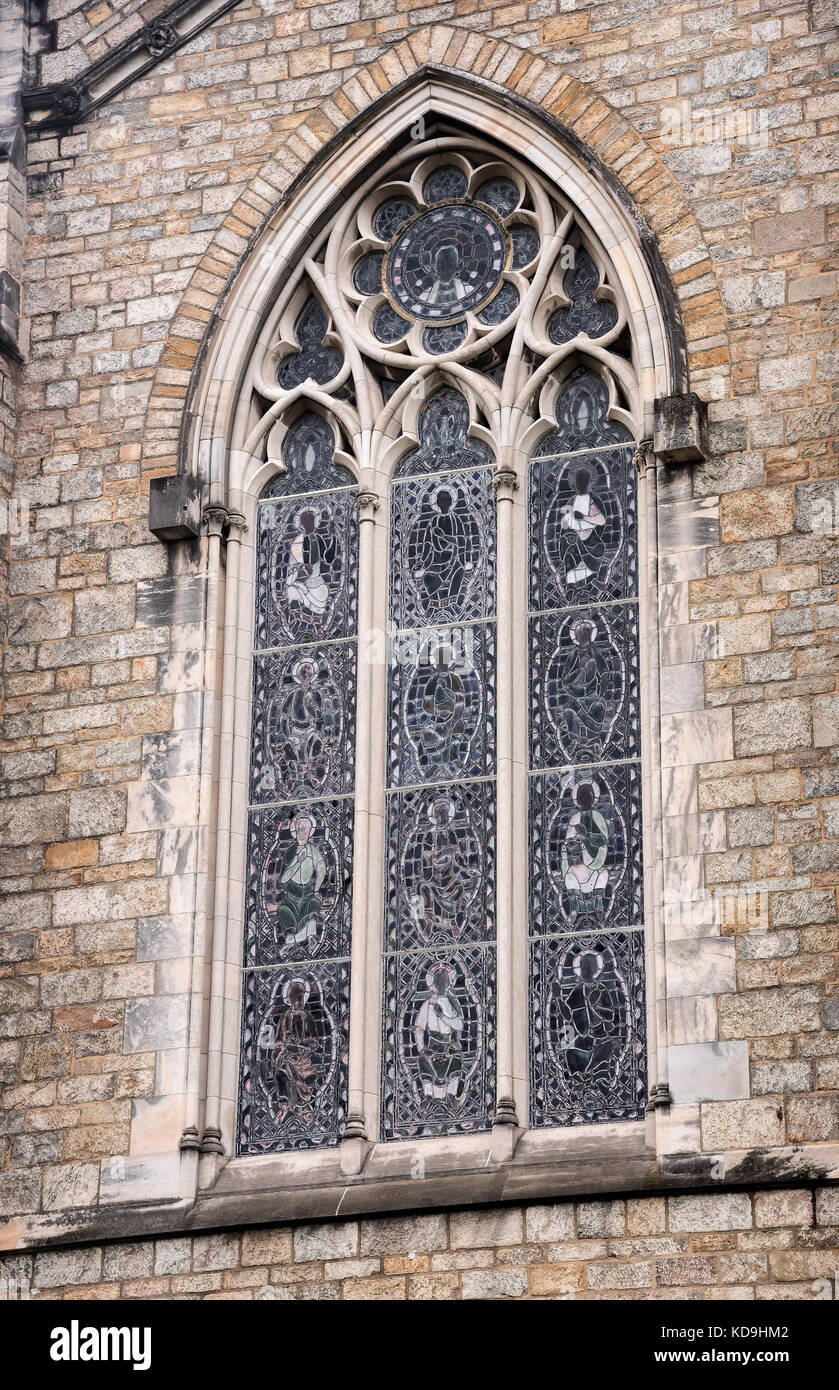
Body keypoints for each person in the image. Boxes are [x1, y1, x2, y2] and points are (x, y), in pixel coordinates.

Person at [414, 962, 465, 1102]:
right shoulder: (428, 1004)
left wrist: (442, 1015)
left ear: (449, 982)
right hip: (432, 1045)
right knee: (423, 1061)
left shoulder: (452, 1002)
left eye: (444, 979)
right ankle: (428, 1095)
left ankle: (452, 1095)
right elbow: (419, 1028)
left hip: (448, 1044)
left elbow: (459, 1025)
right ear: (433, 983)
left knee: (456, 1059)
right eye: (438, 979)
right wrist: (422, 1048)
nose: (441, 982)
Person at [275, 812, 327, 946]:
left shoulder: (312, 850)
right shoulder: (291, 851)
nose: (302, 835)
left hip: (308, 892)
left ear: (310, 833)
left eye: (305, 832)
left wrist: (316, 889)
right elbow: (283, 879)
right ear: (296, 832)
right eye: (300, 832)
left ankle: (309, 935)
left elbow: (321, 868)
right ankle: (291, 937)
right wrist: (298, 862)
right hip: (292, 895)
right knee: (283, 910)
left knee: (314, 903)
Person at [561, 780, 610, 915]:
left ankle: (599, 904)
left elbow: (603, 841)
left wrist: (586, 835)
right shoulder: (575, 818)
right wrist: (574, 841)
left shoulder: (598, 817)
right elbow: (568, 841)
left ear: (593, 798)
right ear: (578, 800)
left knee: (604, 874)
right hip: (579, 864)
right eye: (582, 798)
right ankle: (574, 908)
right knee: (570, 877)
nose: (585, 800)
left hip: (595, 863)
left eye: (588, 797)